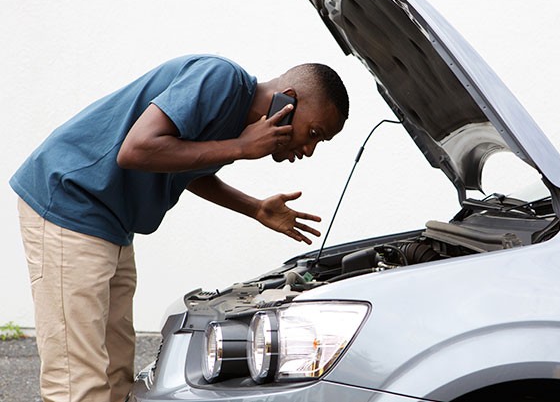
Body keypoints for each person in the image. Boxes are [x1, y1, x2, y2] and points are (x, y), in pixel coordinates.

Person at [10, 54, 349, 402]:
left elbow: (184, 167)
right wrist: (240, 148)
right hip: (70, 199)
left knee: (116, 371)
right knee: (76, 378)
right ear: (289, 99)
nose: (308, 149)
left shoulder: (236, 121)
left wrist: (256, 208)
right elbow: (136, 149)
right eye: (313, 133)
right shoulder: (221, 78)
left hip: (110, 222)